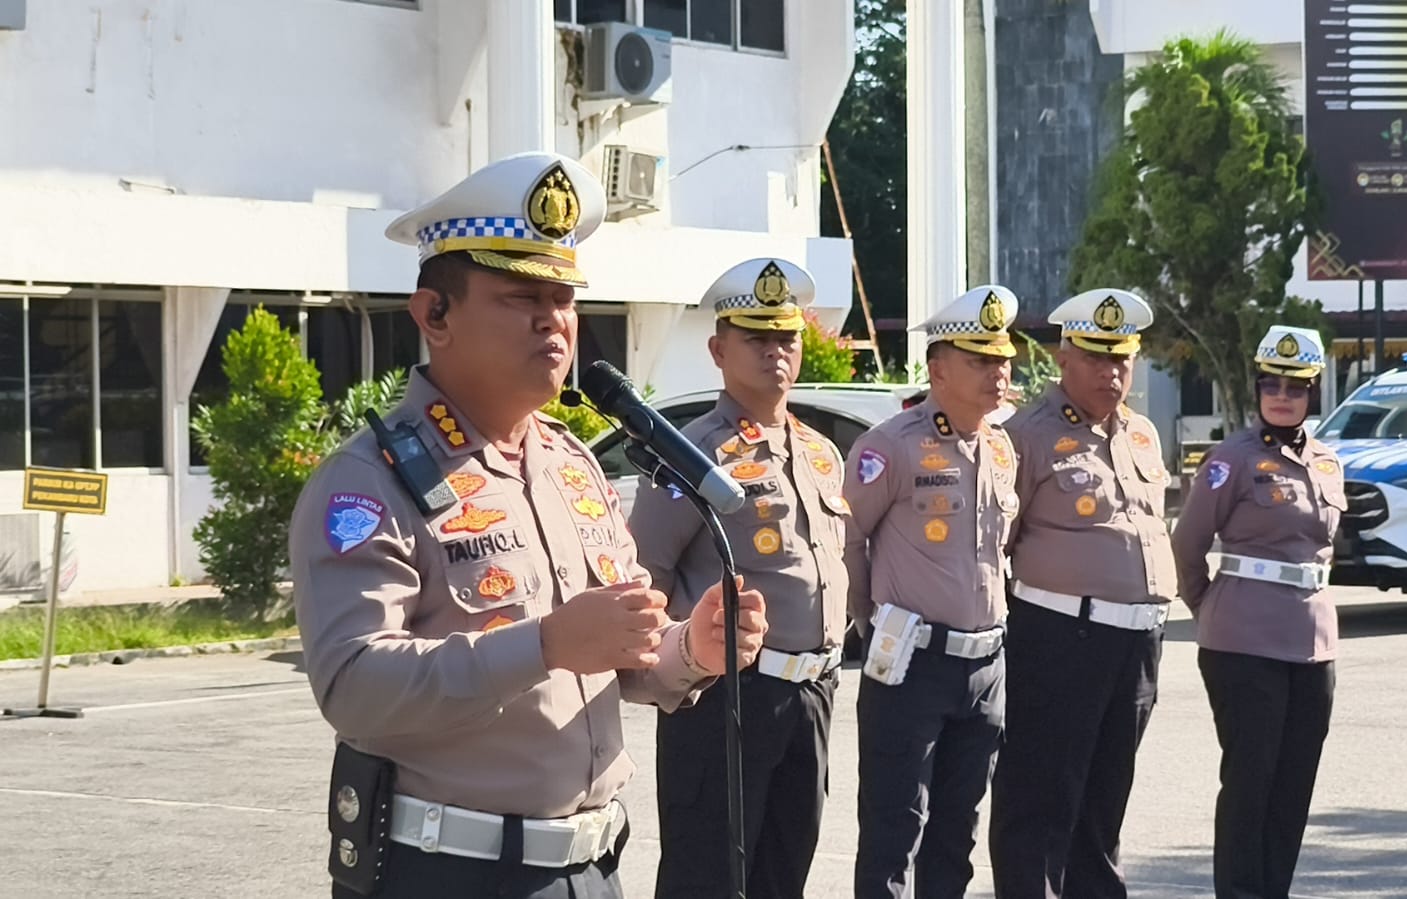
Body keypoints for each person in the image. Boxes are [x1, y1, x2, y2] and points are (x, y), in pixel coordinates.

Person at [289, 151, 769, 899]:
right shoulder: (369, 480)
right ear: (434, 315)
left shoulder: (574, 465)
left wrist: (691, 648)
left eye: (564, 297)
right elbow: (352, 686)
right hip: (451, 872)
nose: (553, 318)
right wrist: (543, 645)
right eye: (520, 295)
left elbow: (622, 652)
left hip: (591, 866)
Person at [628, 257, 850, 899]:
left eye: (786, 337)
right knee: (707, 879)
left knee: (785, 874)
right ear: (718, 351)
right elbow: (648, 576)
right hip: (727, 698)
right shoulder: (691, 454)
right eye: (756, 338)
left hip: (810, 693)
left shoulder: (818, 450)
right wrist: (670, 669)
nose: (775, 351)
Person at [989, 288, 1177, 899]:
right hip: (1061, 637)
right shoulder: (1025, 437)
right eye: (1096, 357)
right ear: (1063, 357)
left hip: (1137, 641)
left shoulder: (1141, 433)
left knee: (1105, 799)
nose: (1110, 372)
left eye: (1121, 358)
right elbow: (994, 545)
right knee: (1041, 798)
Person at [845, 285, 1020, 899]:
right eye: (981, 360)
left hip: (986, 665)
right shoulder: (889, 445)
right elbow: (848, 541)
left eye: (1003, 359)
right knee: (894, 834)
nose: (999, 373)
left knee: (956, 837)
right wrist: (871, 626)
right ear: (938, 369)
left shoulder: (1000, 446)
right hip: (912, 664)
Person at [1171, 325, 1344, 899]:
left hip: (1312, 643)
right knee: (1251, 781)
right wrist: (1209, 605)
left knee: (1293, 785)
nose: (1282, 396)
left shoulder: (1327, 462)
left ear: (1312, 392)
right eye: (1271, 384)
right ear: (1257, 389)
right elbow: (1187, 544)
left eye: (1295, 387)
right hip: (1243, 641)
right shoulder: (1232, 460)